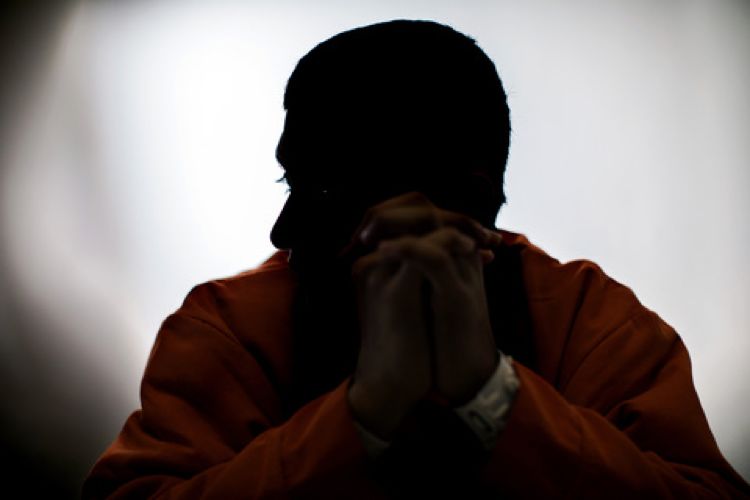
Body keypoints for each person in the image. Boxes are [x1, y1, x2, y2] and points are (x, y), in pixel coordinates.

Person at [83, 20, 749, 499]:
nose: (281, 230)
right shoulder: (226, 325)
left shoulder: (592, 321)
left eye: (321, 189)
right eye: (288, 180)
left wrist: (489, 392)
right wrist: (365, 412)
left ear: (461, 201)